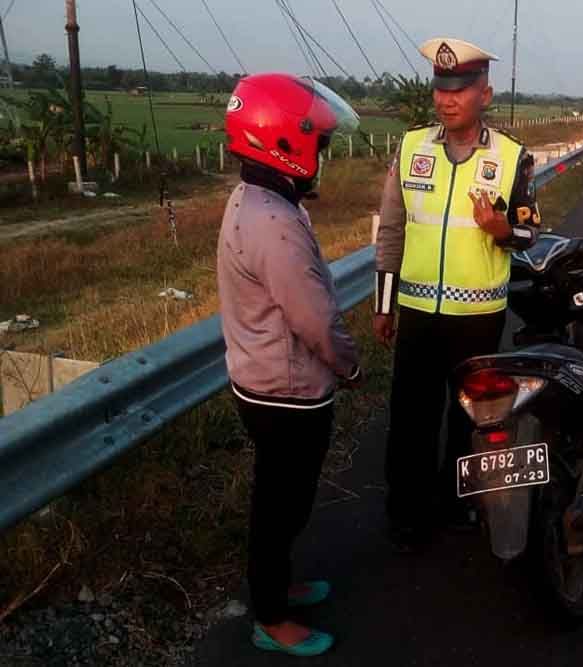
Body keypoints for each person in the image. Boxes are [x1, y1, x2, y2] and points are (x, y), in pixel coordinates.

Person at [374, 38, 541, 551]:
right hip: (419, 311)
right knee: (409, 416)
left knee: (469, 415)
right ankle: (406, 514)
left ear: (484, 95)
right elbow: (391, 232)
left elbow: (530, 232)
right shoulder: (411, 149)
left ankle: (458, 503)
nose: (447, 100)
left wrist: (500, 229)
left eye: (460, 91)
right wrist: (384, 303)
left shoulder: (512, 157)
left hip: (478, 316)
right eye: (441, 89)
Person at [217, 73, 362, 657]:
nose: (323, 157)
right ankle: (270, 617)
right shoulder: (274, 223)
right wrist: (349, 368)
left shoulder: (257, 199)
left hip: (264, 379)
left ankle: (280, 585)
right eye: (319, 145)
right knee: (280, 505)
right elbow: (316, 320)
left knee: (284, 499)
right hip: (285, 392)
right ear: (284, 143)